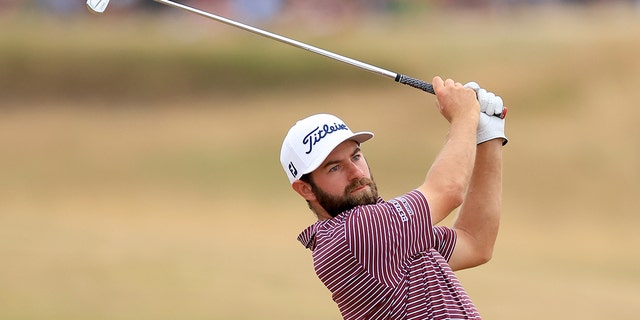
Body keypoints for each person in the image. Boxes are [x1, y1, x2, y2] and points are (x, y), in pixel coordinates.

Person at [279, 76, 507, 319]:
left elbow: (475, 243)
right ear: (305, 189)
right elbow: (448, 190)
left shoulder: (388, 236)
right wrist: (464, 116)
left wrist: (487, 136)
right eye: (334, 168)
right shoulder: (356, 232)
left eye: (356, 157)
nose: (356, 173)